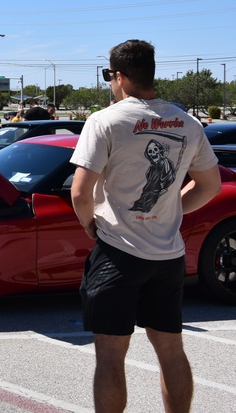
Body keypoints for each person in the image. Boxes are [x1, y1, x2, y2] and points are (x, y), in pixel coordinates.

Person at [70, 40, 221, 413]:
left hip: (118, 253)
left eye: (109, 76)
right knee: (171, 349)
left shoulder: (106, 120)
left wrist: (90, 225)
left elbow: (80, 192)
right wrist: (173, 210)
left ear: (119, 77)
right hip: (167, 255)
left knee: (109, 356)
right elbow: (210, 185)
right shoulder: (187, 123)